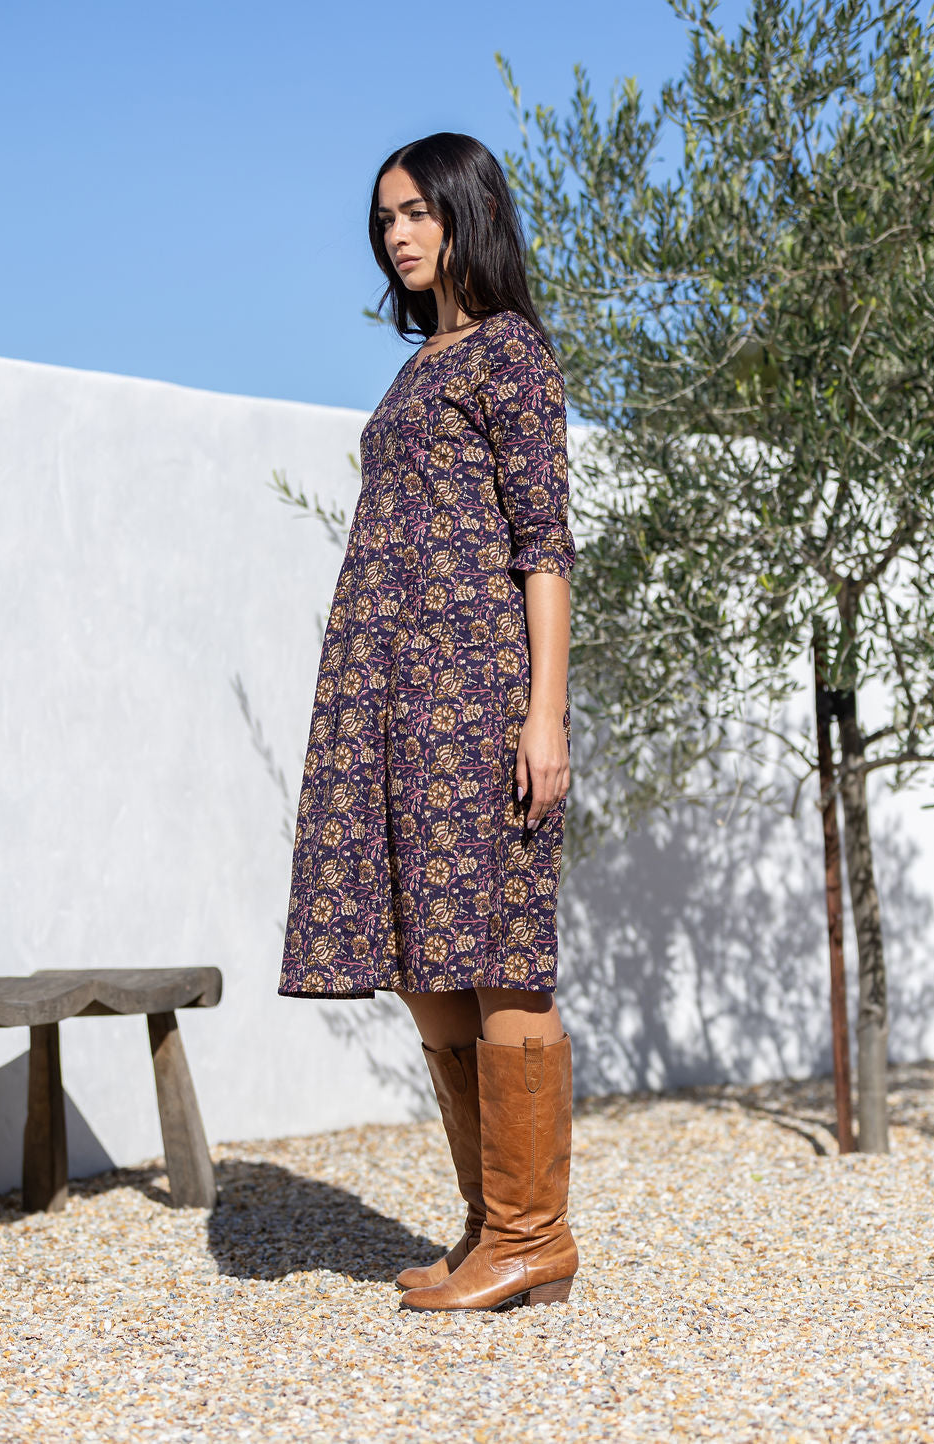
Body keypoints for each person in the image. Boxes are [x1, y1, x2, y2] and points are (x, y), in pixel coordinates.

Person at [278, 131, 578, 1313]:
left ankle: (533, 1233)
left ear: (465, 214)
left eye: (416, 212)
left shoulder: (510, 353)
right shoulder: (419, 367)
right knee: (425, 960)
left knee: (499, 954)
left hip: (477, 696)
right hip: (391, 701)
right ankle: (489, 1226)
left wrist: (541, 714)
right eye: (384, 217)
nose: (397, 233)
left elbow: (544, 545)